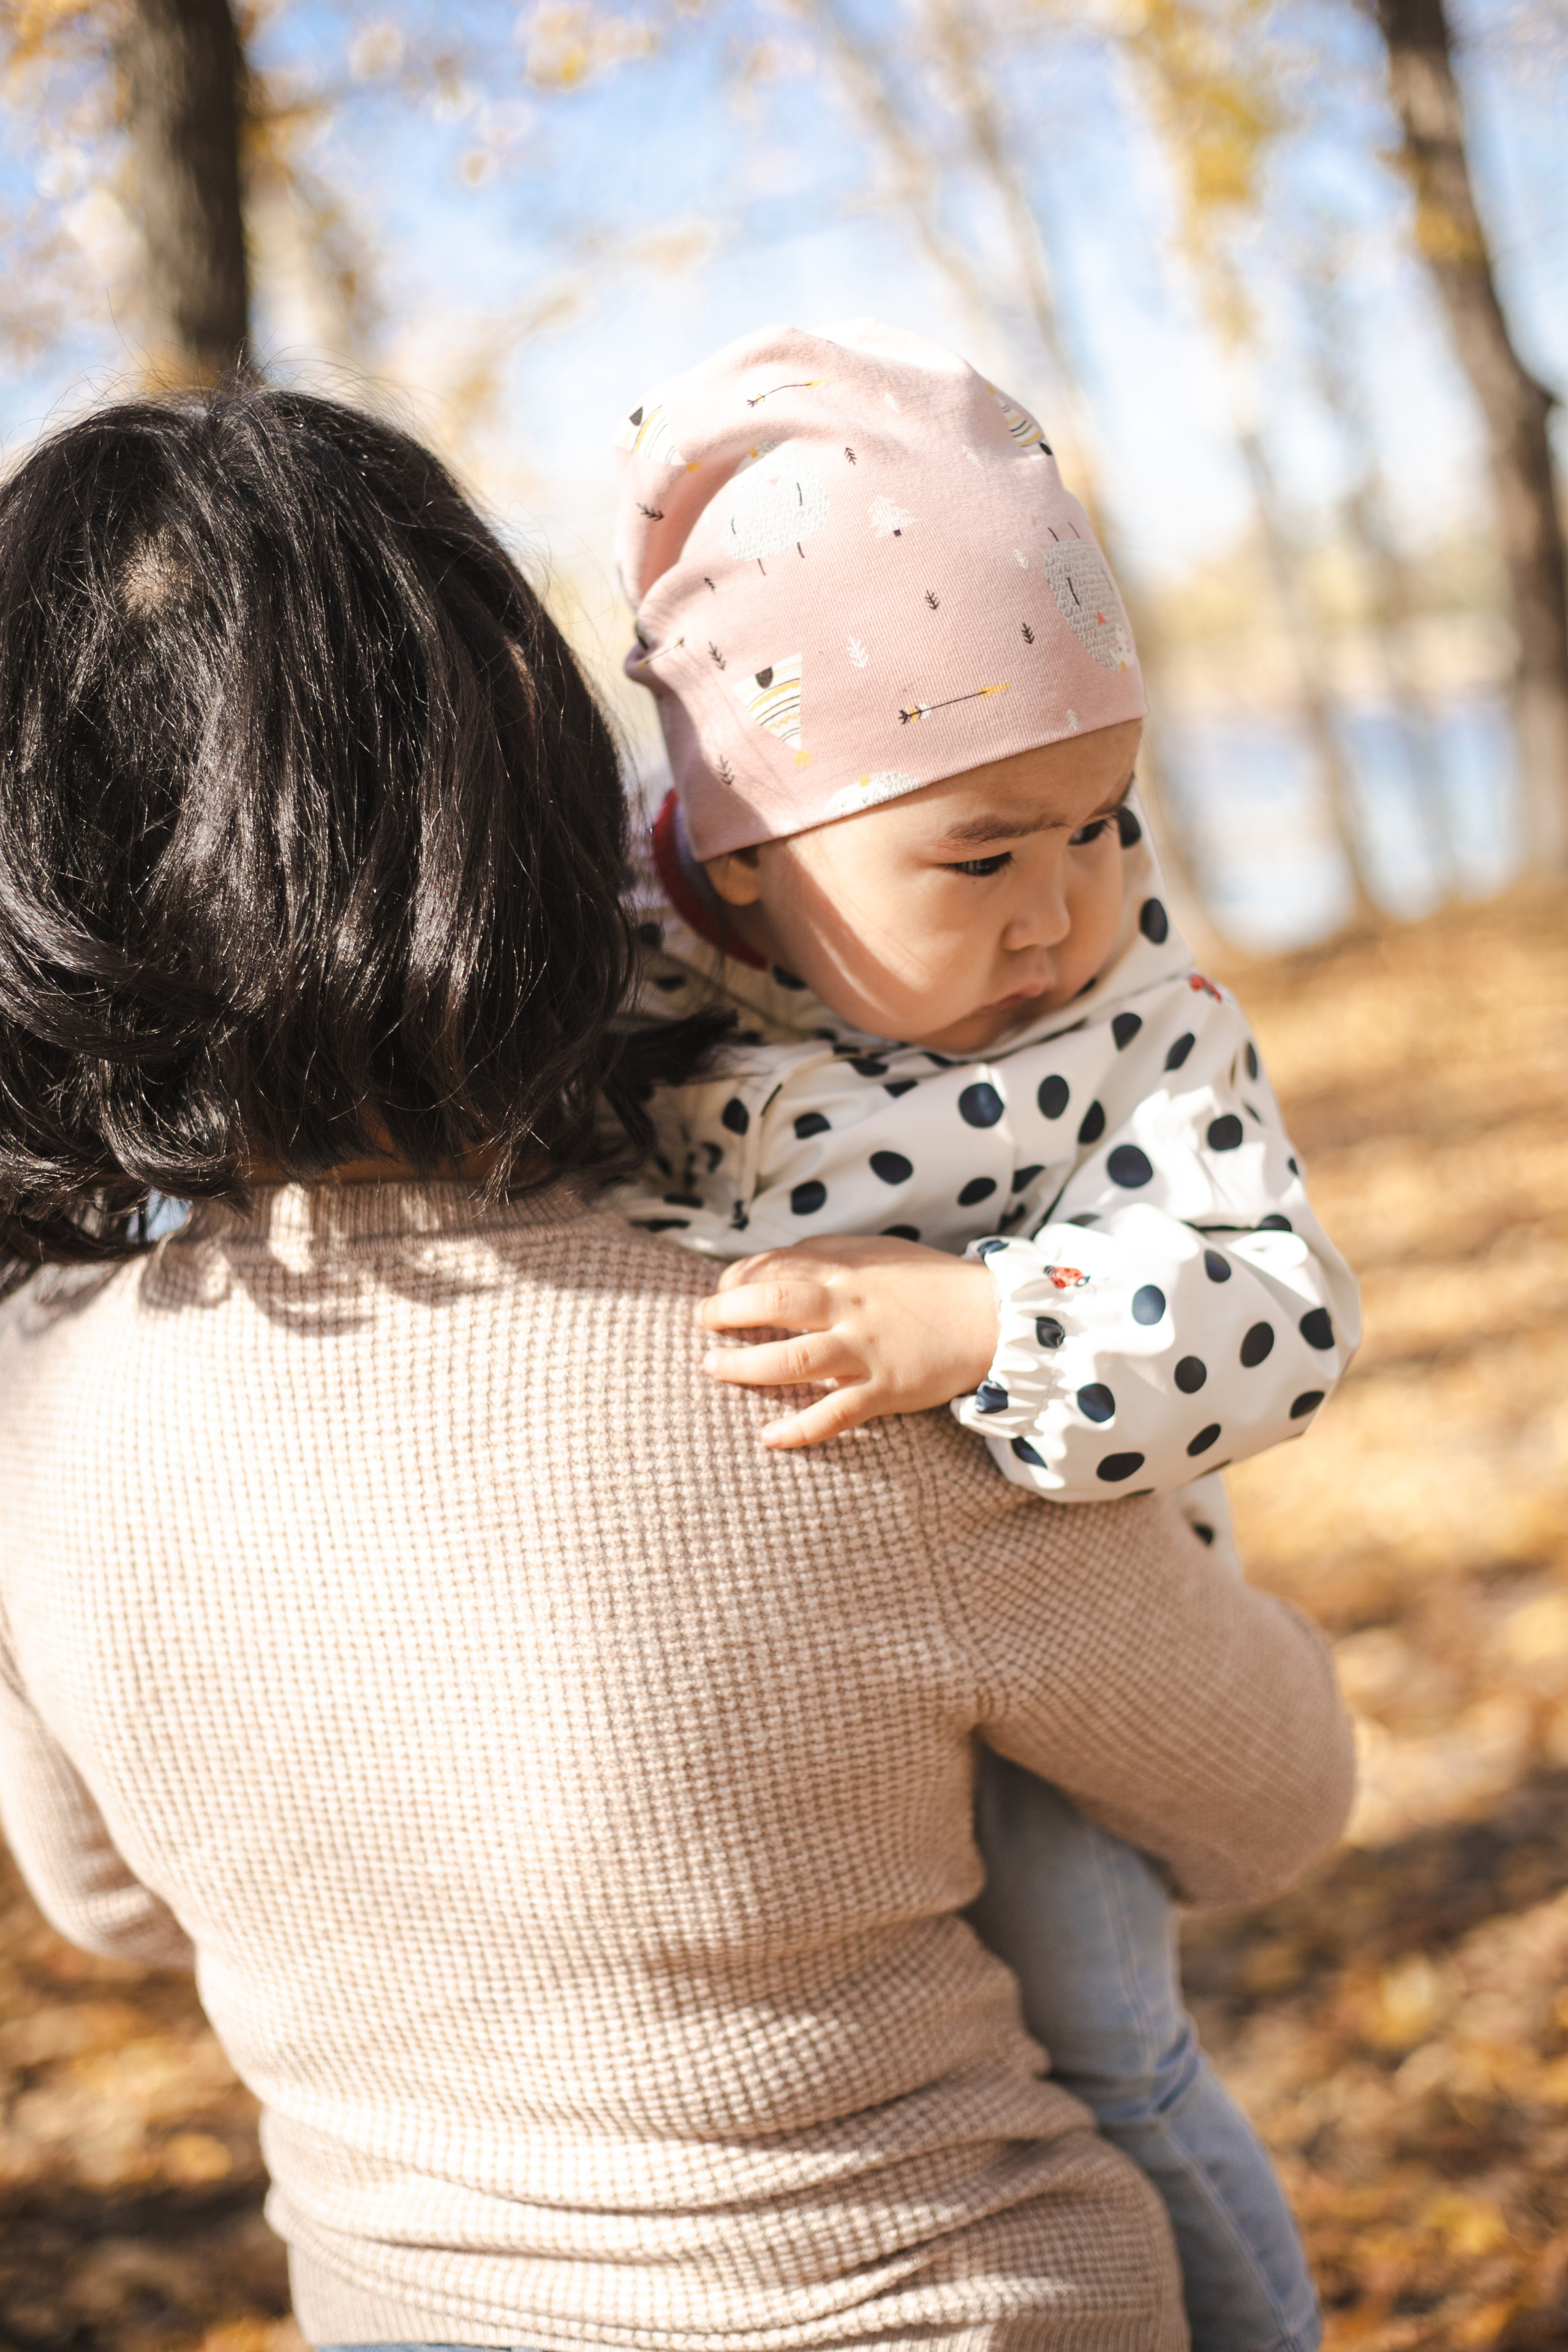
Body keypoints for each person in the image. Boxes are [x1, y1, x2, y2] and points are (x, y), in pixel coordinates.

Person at [0, 385, 1355, 2352]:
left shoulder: (37, 1411)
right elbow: (1275, 1797)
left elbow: (113, 1904)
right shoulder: (810, 1351)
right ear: (526, 789)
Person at [607, 321, 1363, 2350]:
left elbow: (1279, 1307)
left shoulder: (1141, 1031)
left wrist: (995, 1321)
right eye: (983, 851)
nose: (1066, 905)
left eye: (1104, 819)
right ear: (749, 838)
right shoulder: (620, 981)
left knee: (1097, 2046)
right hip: (758, 1662)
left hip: (1069, 1655)